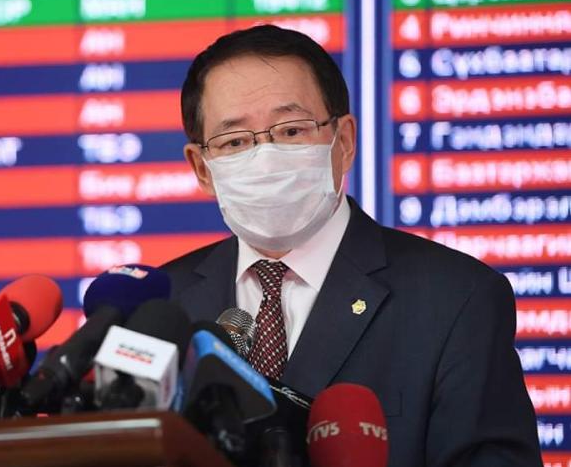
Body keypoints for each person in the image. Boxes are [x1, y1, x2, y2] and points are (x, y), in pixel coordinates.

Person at [161, 24, 541, 466]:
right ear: (201, 168)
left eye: (291, 131)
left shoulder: (456, 298)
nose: (265, 159)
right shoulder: (161, 309)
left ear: (343, 141)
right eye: (235, 141)